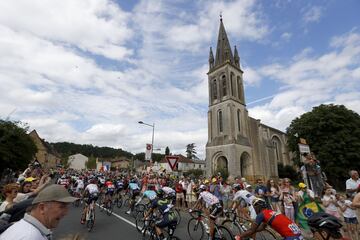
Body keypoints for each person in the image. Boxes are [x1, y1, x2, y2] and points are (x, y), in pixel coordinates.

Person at [0, 184, 77, 240]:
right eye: (62, 206)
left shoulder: (28, 230)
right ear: (42, 208)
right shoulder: (31, 236)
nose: (66, 213)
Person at [235, 198, 303, 240]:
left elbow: (252, 230)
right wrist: (251, 231)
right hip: (298, 234)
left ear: (258, 207)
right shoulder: (270, 212)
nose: (254, 209)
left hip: (291, 237)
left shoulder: (261, 215)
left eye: (254, 207)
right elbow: (262, 227)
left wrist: (239, 236)